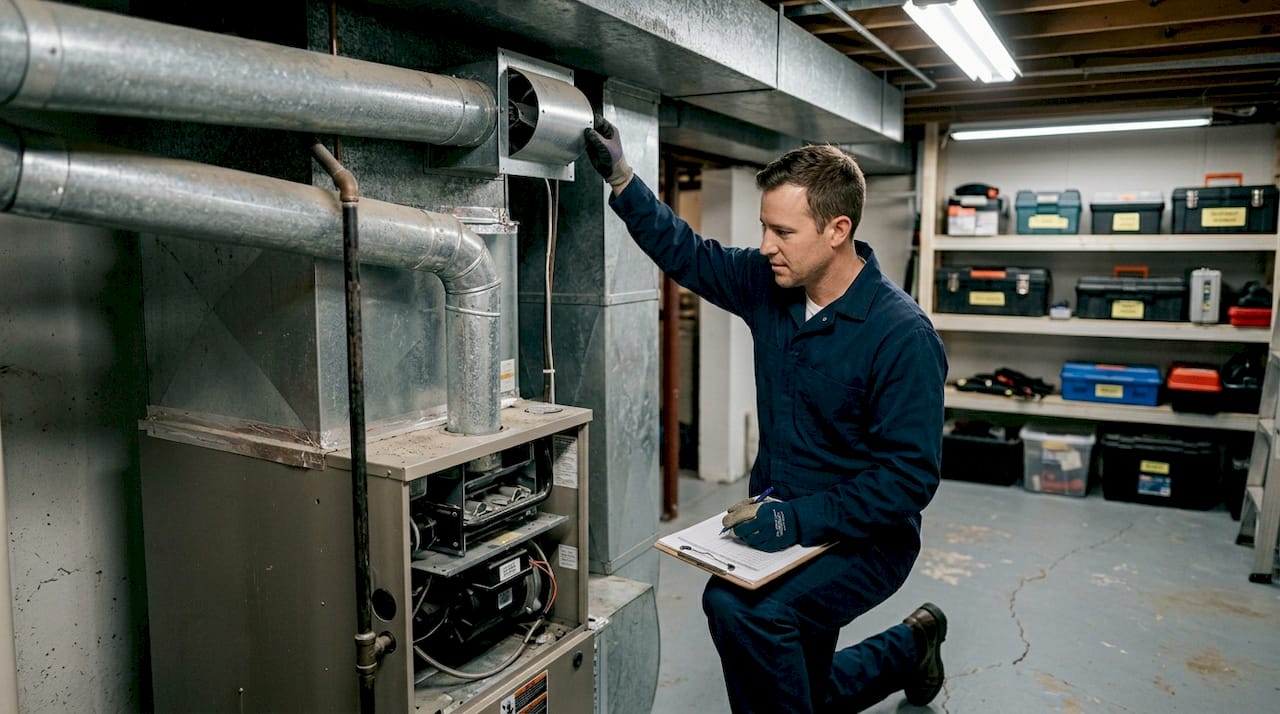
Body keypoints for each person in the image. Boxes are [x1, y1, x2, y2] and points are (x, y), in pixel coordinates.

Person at [584, 116, 949, 713]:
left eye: (782, 231)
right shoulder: (769, 284)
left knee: (743, 610)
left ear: (838, 229)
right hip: (779, 517)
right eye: (763, 227)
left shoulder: (900, 335)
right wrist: (624, 181)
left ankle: (900, 648)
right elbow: (687, 252)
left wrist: (796, 522)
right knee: (795, 688)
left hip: (866, 539)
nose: (764, 246)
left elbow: (907, 481)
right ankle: (911, 646)